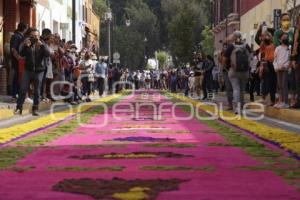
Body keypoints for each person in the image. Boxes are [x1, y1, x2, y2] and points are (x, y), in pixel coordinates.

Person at [15, 28, 51, 116]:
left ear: (39, 36)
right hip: (28, 70)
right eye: (32, 36)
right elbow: (21, 54)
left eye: (36, 36)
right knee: (23, 88)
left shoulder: (43, 43)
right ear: (30, 36)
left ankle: (35, 109)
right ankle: (19, 108)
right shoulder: (28, 43)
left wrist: (42, 46)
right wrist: (25, 45)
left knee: (37, 90)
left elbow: (48, 54)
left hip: (39, 70)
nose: (34, 38)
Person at [225, 31, 251, 114]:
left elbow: (225, 58)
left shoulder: (231, 46)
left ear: (234, 37)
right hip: (245, 71)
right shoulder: (246, 45)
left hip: (233, 70)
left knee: (236, 88)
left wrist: (228, 67)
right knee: (242, 89)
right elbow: (251, 56)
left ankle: (237, 107)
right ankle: (242, 105)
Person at [10, 22, 28, 100]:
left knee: (19, 77)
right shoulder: (16, 36)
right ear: (24, 29)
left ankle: (16, 94)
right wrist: (19, 58)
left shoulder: (20, 36)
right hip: (17, 61)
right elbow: (13, 49)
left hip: (19, 60)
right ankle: (15, 94)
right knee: (17, 77)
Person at [273, 32, 290, 109]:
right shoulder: (277, 48)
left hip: (285, 69)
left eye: (286, 37)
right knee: (279, 85)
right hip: (278, 69)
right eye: (283, 37)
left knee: (284, 85)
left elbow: (289, 59)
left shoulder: (289, 48)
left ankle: (285, 102)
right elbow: (275, 59)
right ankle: (280, 101)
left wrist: (285, 66)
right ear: (280, 39)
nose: (285, 38)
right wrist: (276, 67)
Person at [291, 14, 300, 108]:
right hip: (298, 59)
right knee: (297, 80)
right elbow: (294, 45)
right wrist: (293, 59)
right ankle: (298, 100)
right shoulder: (296, 31)